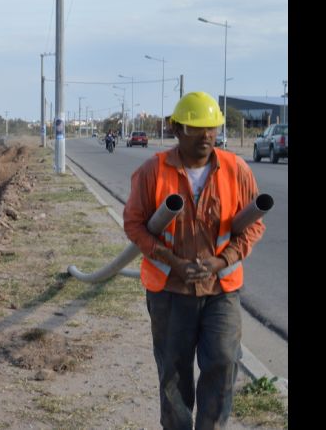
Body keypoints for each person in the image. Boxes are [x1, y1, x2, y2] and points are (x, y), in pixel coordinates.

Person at [122, 91, 265, 430]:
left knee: (224, 361)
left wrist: (222, 260)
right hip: (170, 290)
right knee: (173, 375)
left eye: (212, 129)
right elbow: (134, 224)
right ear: (176, 128)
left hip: (221, 288)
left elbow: (254, 224)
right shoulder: (152, 171)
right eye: (196, 129)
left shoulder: (235, 168)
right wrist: (171, 260)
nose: (207, 136)